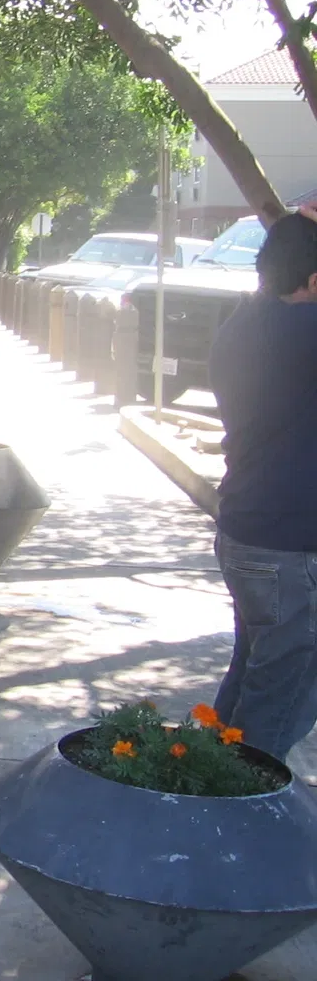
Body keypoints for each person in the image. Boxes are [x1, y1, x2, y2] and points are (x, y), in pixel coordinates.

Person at [209, 208, 317, 760]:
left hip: (246, 534)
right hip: (287, 549)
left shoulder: (242, 324)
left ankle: (199, 784)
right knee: (280, 700)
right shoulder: (304, 332)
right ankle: (240, 817)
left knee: (253, 677)